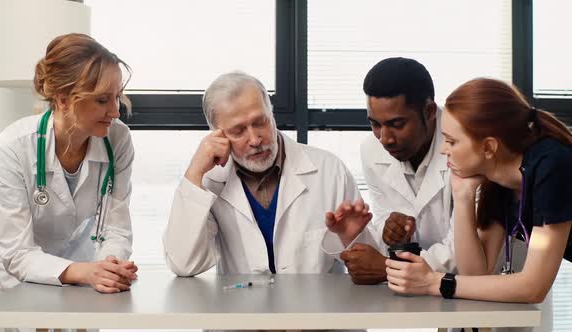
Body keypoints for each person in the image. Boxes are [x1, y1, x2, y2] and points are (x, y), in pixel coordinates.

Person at [385, 77, 572, 307]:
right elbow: (476, 276)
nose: (443, 150)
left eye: (452, 142)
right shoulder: (500, 180)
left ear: (488, 147)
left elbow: (533, 287)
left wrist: (434, 282)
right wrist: (462, 196)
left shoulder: (552, 166)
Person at [163, 71, 370, 276]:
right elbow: (184, 264)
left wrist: (350, 238)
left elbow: (368, 263)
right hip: (242, 306)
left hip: (316, 307)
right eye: (238, 131)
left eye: (260, 122)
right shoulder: (208, 182)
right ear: (217, 135)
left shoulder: (329, 170)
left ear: (271, 114)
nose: (254, 139)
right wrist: (193, 173)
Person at [0, 33, 138, 296]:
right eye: (102, 100)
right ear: (63, 99)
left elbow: (116, 225)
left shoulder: (118, 138)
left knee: (88, 313)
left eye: (117, 96)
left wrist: (110, 265)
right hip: (15, 252)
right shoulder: (13, 146)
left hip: (77, 248)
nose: (115, 111)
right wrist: (87, 271)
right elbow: (18, 253)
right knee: (34, 320)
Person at [339, 57, 456, 285]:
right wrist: (390, 231)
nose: (385, 139)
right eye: (374, 124)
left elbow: (464, 251)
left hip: (494, 288)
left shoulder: (463, 144)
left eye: (397, 124)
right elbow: (384, 213)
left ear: (430, 111)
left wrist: (386, 268)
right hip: (428, 291)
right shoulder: (371, 150)